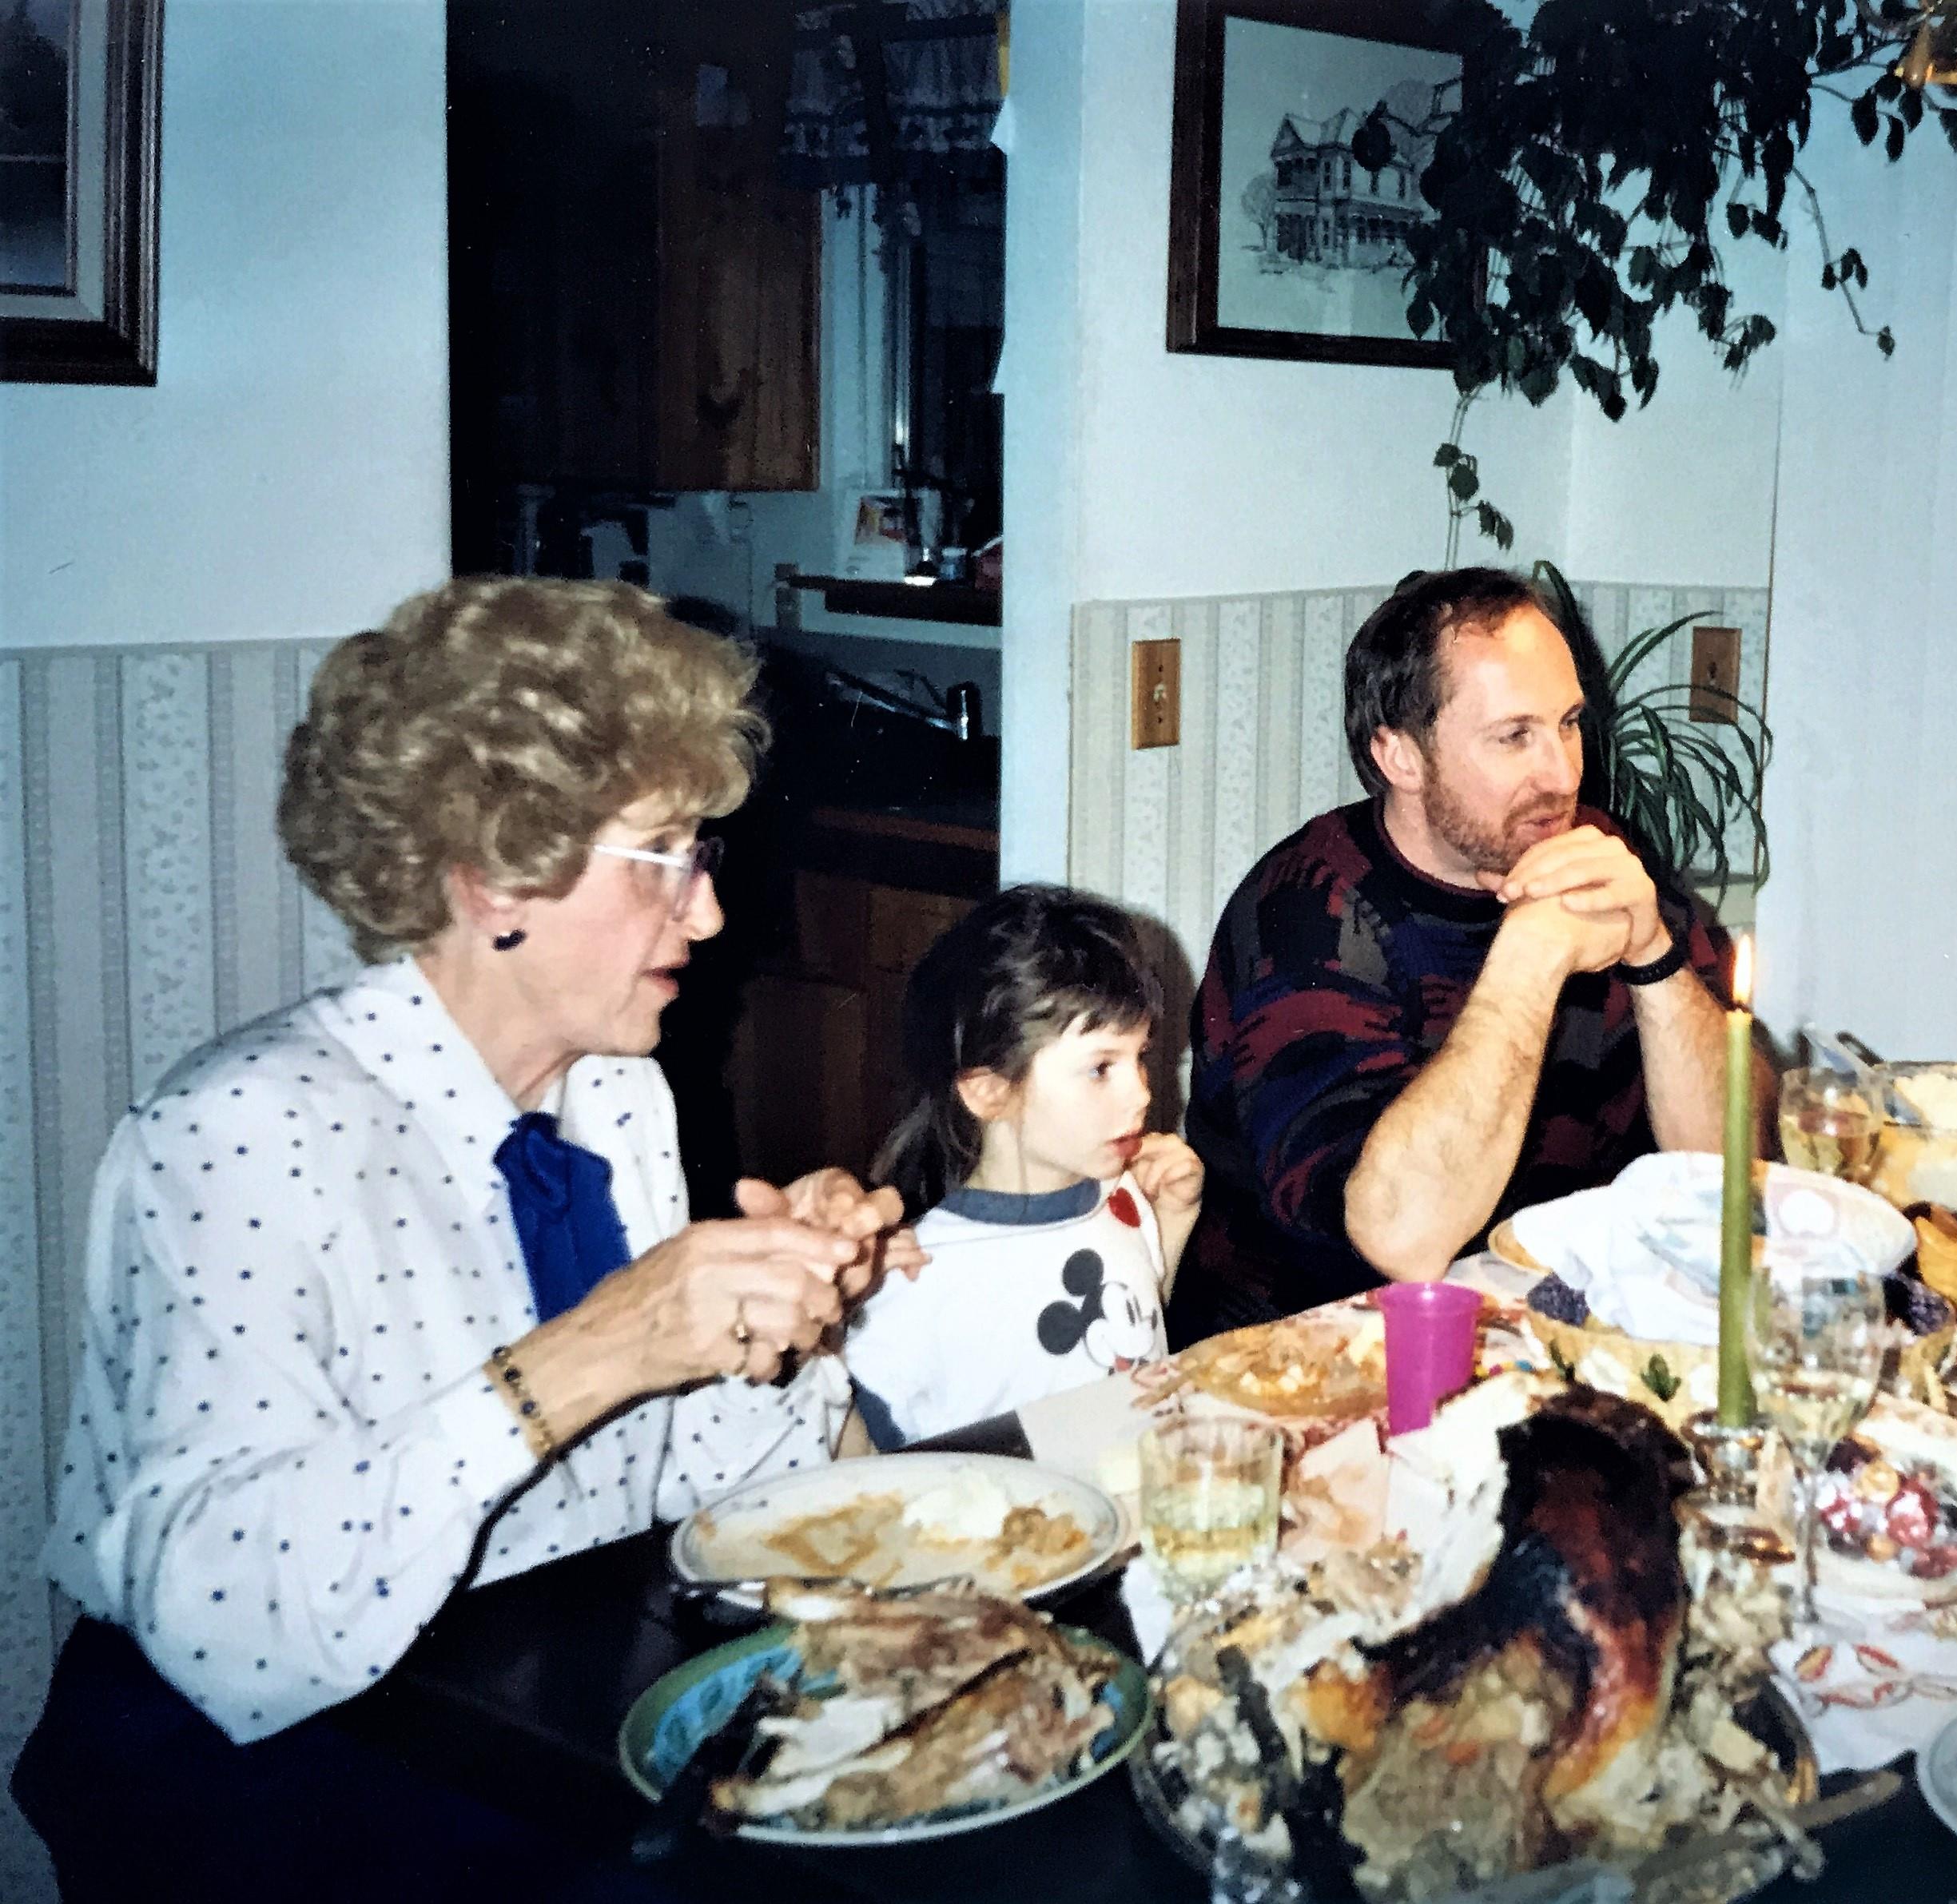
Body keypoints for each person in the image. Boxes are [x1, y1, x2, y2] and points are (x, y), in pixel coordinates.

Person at [14, 578, 921, 1899]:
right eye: (666, 857)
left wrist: (775, 1318)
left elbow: (665, 1481)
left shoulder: (612, 1089)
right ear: (498, 876)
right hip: (266, 1779)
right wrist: (600, 1346)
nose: (710, 914)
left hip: (535, 1717)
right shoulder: (238, 1132)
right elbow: (232, 1630)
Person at [1174, 566, 1747, 1340]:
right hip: (1313, 1367)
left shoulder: (1596, 850)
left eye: (1569, 724)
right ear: (1400, 757)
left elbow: (1733, 1164)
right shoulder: (1309, 910)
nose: (1563, 773)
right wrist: (1532, 954)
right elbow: (1400, 1237)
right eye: (1515, 736)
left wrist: (1654, 957)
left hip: (1546, 1333)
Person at [844, 886, 1203, 1445]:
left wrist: (1173, 1221)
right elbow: (864, 1460)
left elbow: (1136, 1329)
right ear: (990, 1091)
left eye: (1140, 1057)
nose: (1140, 1094)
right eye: (1101, 1068)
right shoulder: (915, 1270)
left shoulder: (1123, 1196)